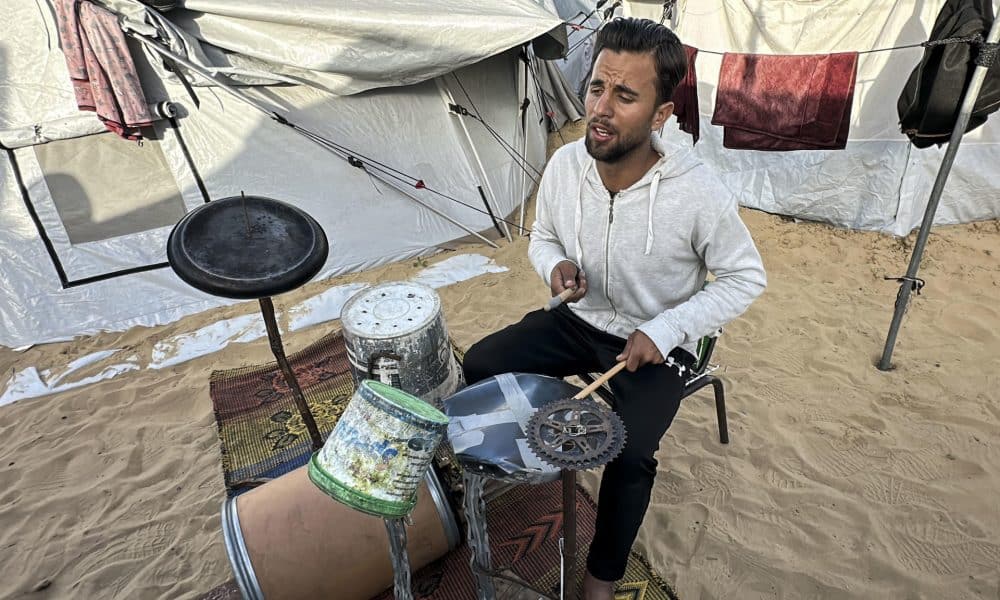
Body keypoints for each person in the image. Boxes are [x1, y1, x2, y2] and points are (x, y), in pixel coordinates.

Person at [461, 17, 766, 600]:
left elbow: (745, 277)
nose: (600, 108)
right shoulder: (565, 165)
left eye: (625, 95)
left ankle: (601, 579)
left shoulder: (698, 192)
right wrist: (553, 268)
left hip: (660, 346)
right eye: (597, 86)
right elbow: (543, 236)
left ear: (659, 114)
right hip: (581, 321)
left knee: (630, 453)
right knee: (481, 365)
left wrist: (669, 327)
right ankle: (531, 475)